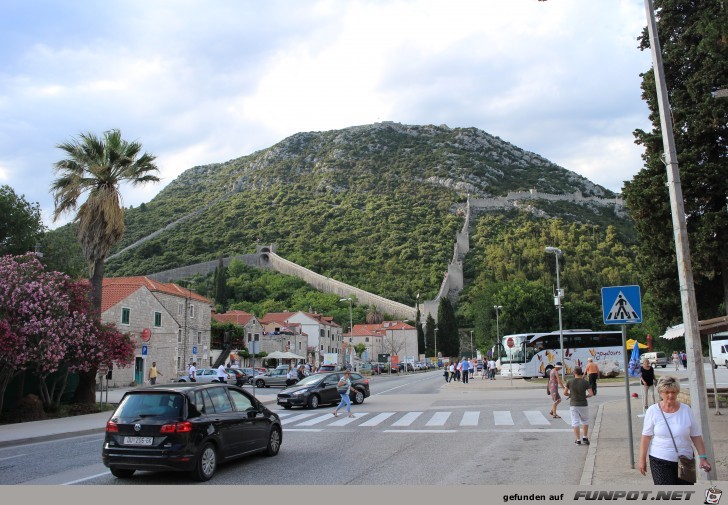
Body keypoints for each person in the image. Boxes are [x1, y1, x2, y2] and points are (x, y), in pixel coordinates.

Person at [639, 376, 712, 484]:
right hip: (660, 458)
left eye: (673, 392)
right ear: (660, 392)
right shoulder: (653, 411)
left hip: (684, 460)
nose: (670, 395)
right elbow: (646, 437)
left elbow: (696, 435)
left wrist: (703, 457)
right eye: (667, 392)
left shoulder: (686, 410)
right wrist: (642, 459)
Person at [563, 366, 593, 445]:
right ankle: (585, 437)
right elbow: (591, 394)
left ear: (574, 373)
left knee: (575, 422)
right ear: (581, 372)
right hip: (583, 404)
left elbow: (565, 393)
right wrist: (585, 396)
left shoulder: (570, 381)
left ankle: (578, 440)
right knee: (585, 421)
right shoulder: (585, 382)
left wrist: (570, 395)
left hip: (573, 404)